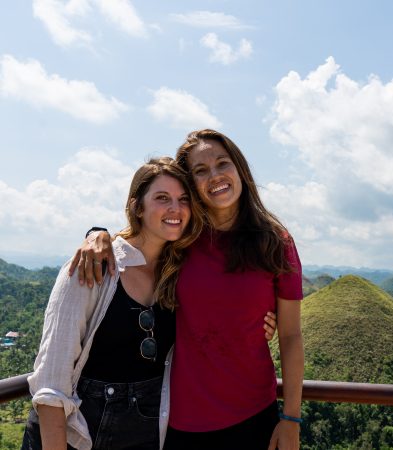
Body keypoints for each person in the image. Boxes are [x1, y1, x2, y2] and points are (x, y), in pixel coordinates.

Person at [22, 157, 279, 450]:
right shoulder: (94, 267)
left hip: (146, 434)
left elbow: (219, 311)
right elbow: (51, 383)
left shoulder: (181, 273)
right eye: (162, 198)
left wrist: (264, 320)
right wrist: (97, 234)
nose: (176, 208)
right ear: (136, 206)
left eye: (183, 199)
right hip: (75, 436)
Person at [74, 130, 304, 450]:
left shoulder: (275, 242)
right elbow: (137, 239)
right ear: (190, 184)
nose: (215, 175)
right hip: (181, 421)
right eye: (199, 170)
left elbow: (291, 335)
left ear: (240, 169)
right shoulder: (181, 239)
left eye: (223, 163)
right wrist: (97, 234)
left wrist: (291, 419)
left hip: (254, 415)